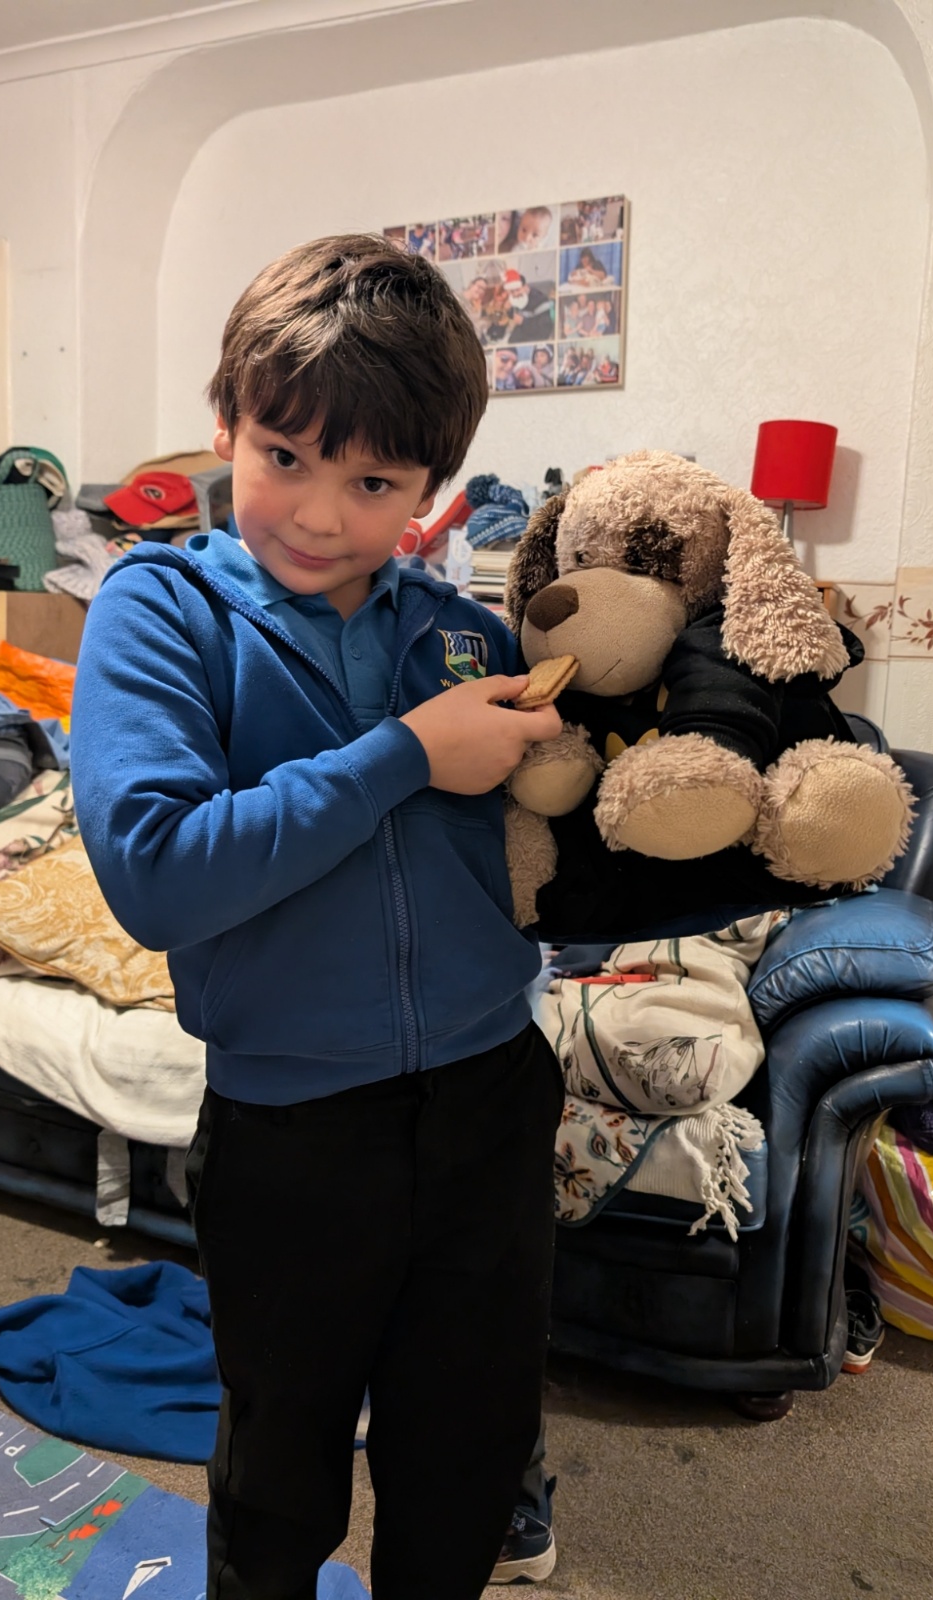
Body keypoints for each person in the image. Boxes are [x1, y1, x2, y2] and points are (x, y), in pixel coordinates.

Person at [70, 234, 565, 1600]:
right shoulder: (158, 610)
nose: (320, 514)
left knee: (464, 1462)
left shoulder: (467, 636)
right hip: (292, 1128)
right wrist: (405, 754)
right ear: (228, 420)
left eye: (375, 484)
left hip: (492, 1095)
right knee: (278, 1482)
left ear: (431, 493)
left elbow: (545, 851)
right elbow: (156, 874)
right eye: (284, 455)